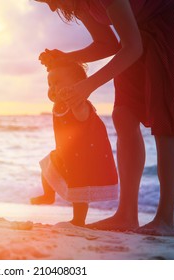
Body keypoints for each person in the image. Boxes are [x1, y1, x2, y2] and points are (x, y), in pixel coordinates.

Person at [34, 0, 174, 236]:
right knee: (123, 114)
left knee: (164, 118)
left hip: (170, 17)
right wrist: (66, 58)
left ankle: (166, 220)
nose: (52, 8)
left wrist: (88, 85)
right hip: (136, 31)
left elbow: (131, 47)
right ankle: (127, 214)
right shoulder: (79, 5)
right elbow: (107, 44)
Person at [30, 59, 118, 227]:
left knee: (80, 189)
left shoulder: (79, 104)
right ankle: (48, 195)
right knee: (47, 165)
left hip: (84, 157)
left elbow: (82, 116)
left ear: (78, 86)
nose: (52, 88)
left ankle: (78, 220)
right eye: (50, 84)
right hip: (67, 154)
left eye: (57, 83)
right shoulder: (60, 105)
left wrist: (76, 102)